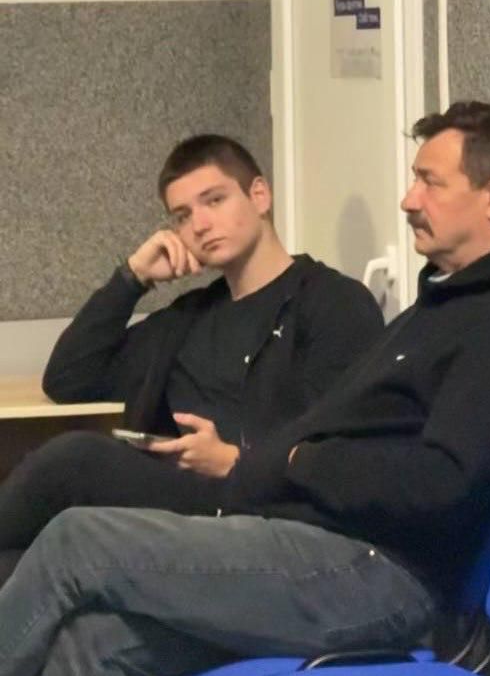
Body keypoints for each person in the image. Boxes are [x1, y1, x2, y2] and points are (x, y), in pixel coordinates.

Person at [0, 102, 490, 676]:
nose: (409, 200)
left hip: (380, 574)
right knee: (95, 639)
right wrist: (276, 468)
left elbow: (442, 481)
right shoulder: (440, 307)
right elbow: (72, 376)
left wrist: (298, 461)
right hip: (313, 541)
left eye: (429, 182)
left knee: (78, 539)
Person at [0, 134, 383, 577]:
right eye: (182, 216)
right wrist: (133, 278)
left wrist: (235, 459)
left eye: (214, 200)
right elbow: (69, 380)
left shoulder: (332, 302)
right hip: (185, 501)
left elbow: (340, 452)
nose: (200, 224)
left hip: (265, 512)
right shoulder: (190, 317)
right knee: (20, 566)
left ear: (259, 195)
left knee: (76, 459)